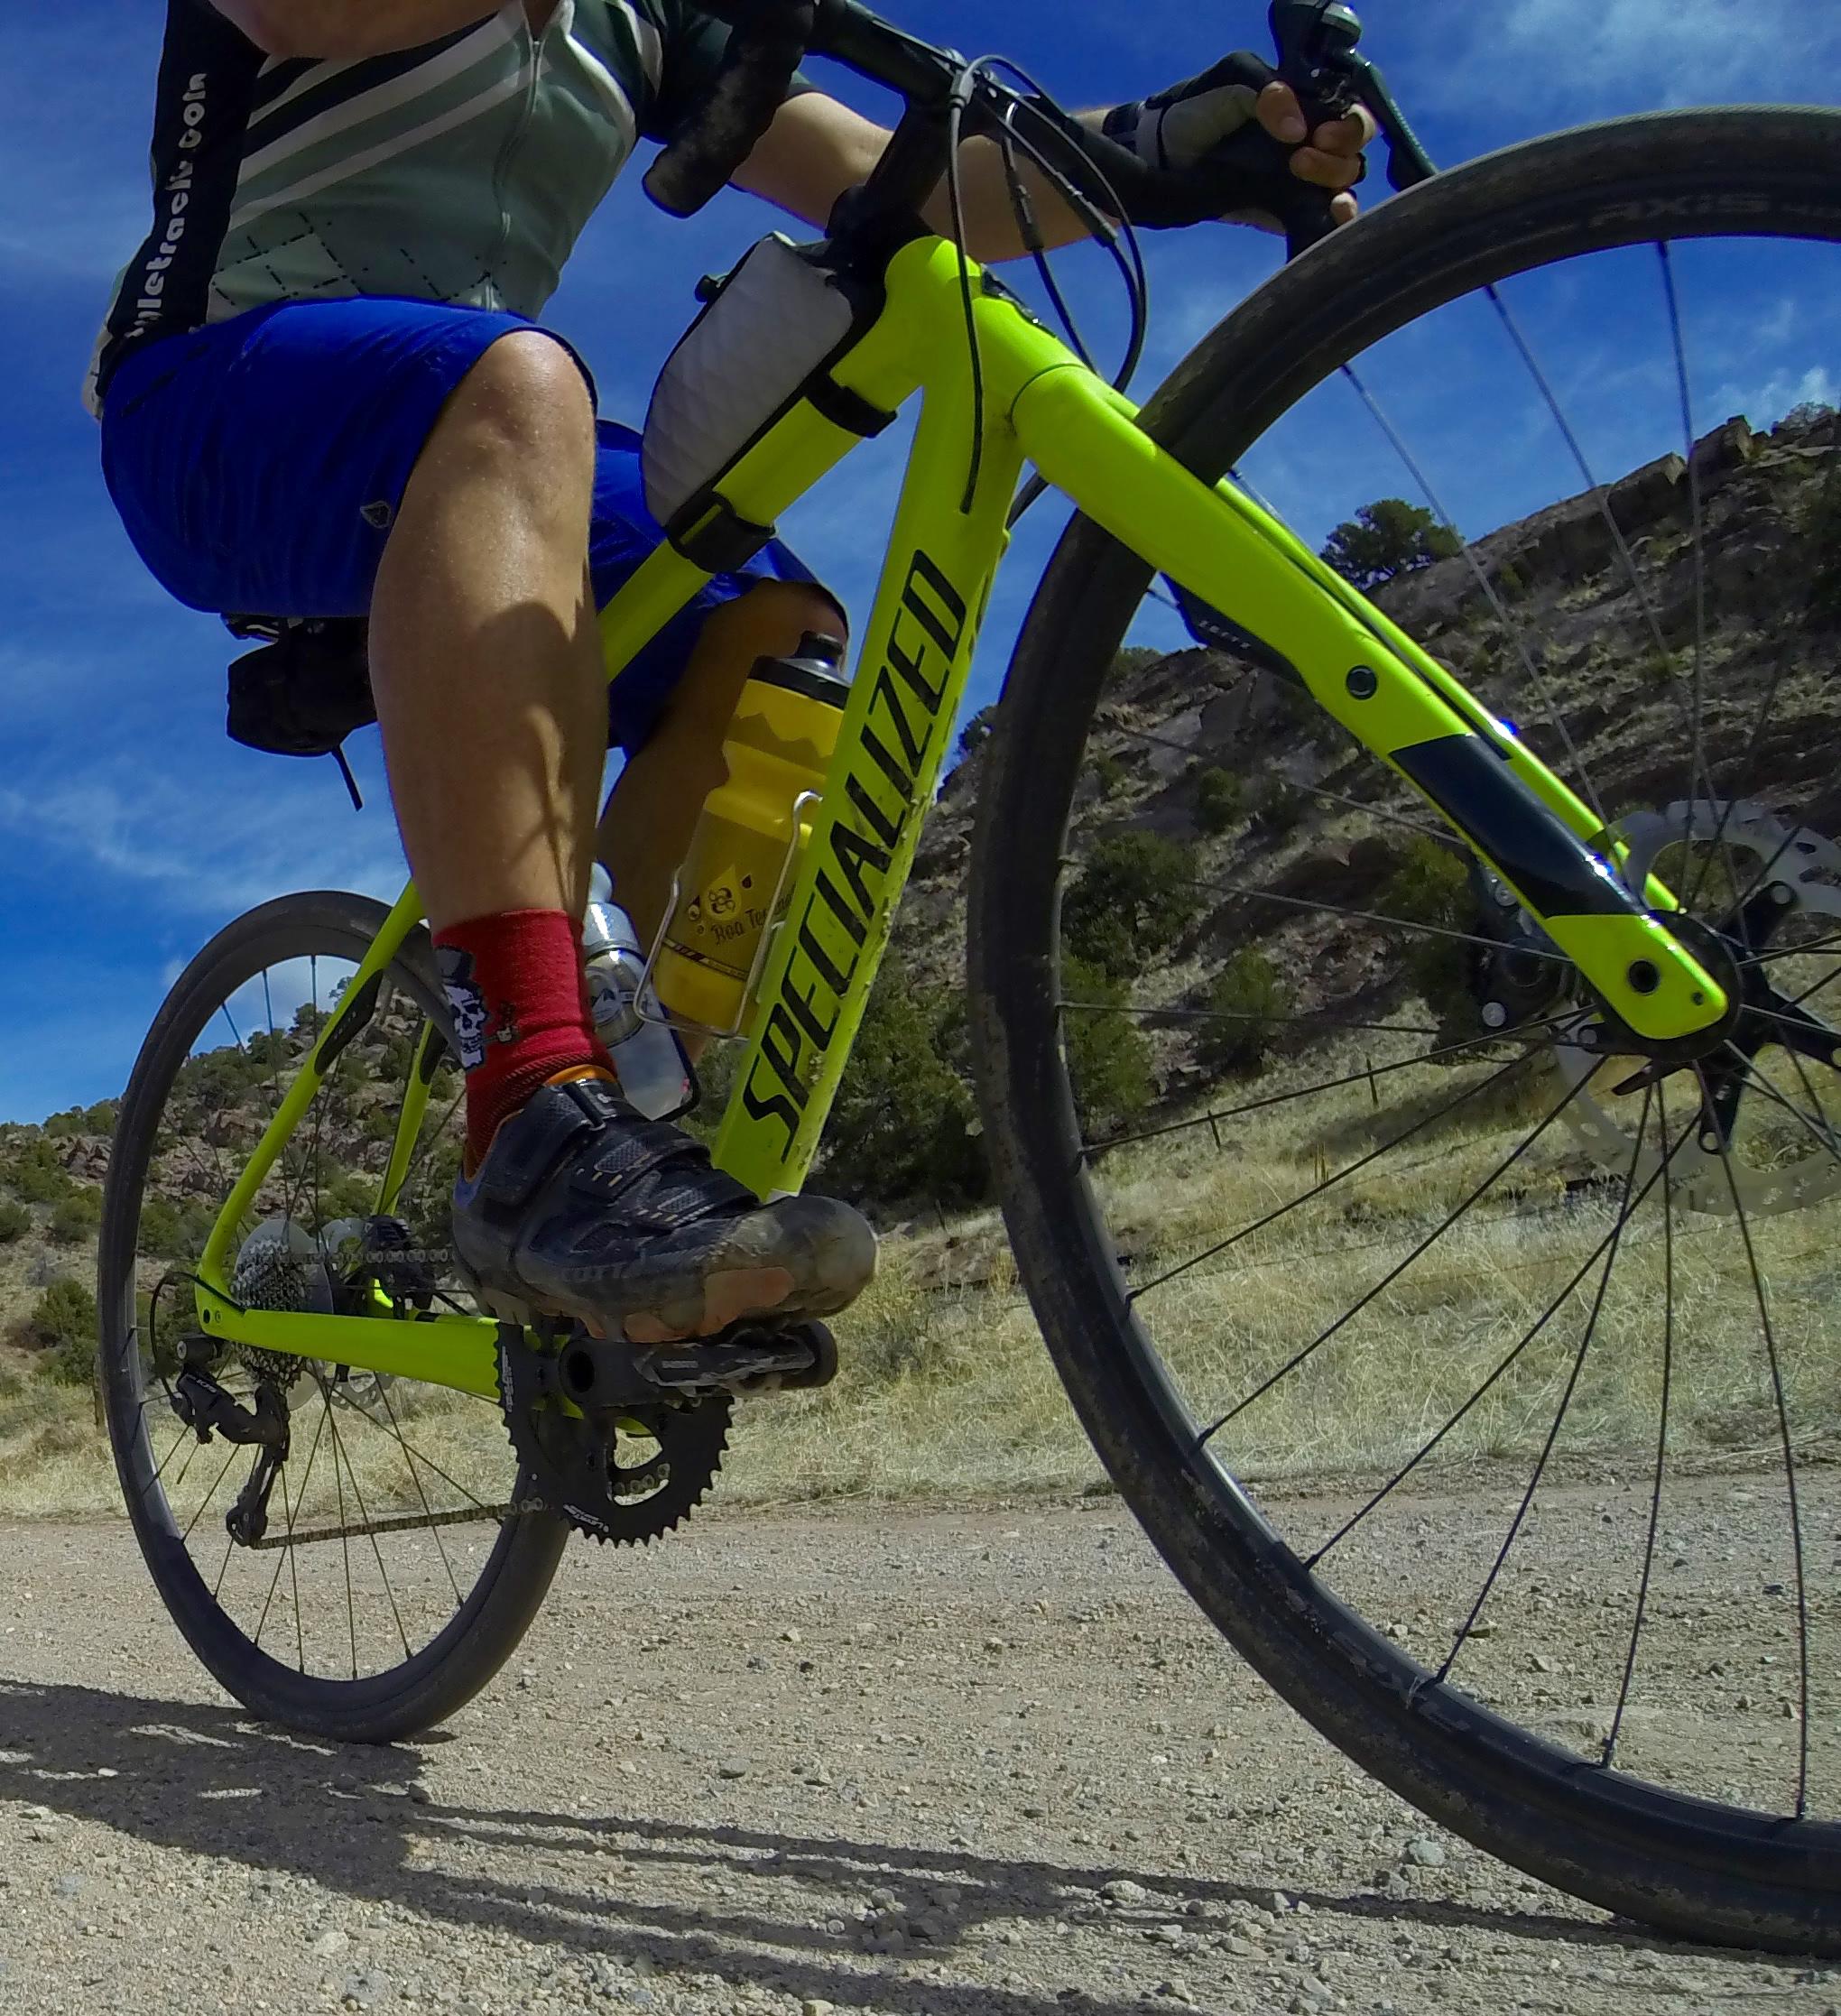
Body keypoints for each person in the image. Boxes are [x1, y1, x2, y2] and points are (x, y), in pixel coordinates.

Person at [92, 1, 1370, 1348]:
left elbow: (909, 175)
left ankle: (624, 1136)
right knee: (527, 387)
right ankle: (531, 1099)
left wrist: (1165, 149)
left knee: (774, 635)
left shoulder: (634, 23)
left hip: (468, 421)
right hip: (207, 399)